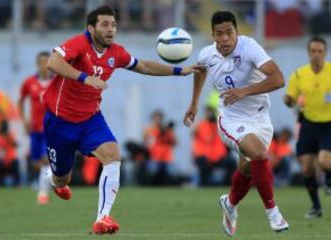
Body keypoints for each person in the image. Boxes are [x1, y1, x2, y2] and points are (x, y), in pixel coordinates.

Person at [43, 5, 201, 235]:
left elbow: (144, 65)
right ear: (91, 28)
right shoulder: (79, 43)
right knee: (61, 178)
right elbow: (53, 62)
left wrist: (179, 71)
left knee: (113, 155)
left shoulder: (116, 53)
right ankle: (54, 179)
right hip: (59, 123)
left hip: (90, 120)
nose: (110, 29)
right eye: (105, 25)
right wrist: (85, 78)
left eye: (113, 24)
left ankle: (102, 217)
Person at [183, 11, 289, 236]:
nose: (224, 39)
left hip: (260, 118)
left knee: (248, 169)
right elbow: (200, 70)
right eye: (219, 34)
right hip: (231, 119)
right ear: (213, 35)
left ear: (237, 33)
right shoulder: (207, 54)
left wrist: (245, 91)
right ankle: (273, 213)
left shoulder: (249, 47)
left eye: (229, 33)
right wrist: (193, 103)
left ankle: (230, 204)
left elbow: (278, 79)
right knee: (260, 154)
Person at [284, 36, 331, 219]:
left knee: (325, 161)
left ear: (325, 53)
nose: (316, 55)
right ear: (308, 53)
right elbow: (290, 98)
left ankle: (328, 179)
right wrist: (288, 100)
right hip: (308, 124)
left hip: (329, 124)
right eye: (313, 51)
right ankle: (316, 207)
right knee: (306, 169)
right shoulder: (299, 74)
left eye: (320, 51)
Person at [19, 51, 53, 204]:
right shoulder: (29, 82)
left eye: (47, 62)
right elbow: (20, 101)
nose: (44, 66)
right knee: (36, 162)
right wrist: (24, 120)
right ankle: (51, 180)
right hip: (35, 129)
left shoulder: (57, 82)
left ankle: (42, 193)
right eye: (42, 62)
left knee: (46, 160)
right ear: (37, 64)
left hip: (52, 128)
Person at [192, 105, 235, 186]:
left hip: (218, 156)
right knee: (203, 167)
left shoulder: (219, 125)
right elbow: (194, 133)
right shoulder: (201, 125)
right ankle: (204, 184)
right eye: (208, 113)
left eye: (211, 112)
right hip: (204, 156)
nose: (210, 115)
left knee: (232, 163)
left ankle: (227, 184)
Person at [143, 110, 177, 185]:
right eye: (156, 118)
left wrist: (168, 132)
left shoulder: (167, 130)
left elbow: (175, 142)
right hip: (154, 157)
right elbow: (145, 143)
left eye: (159, 118)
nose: (158, 120)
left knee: (171, 175)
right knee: (152, 174)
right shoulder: (149, 129)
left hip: (167, 157)